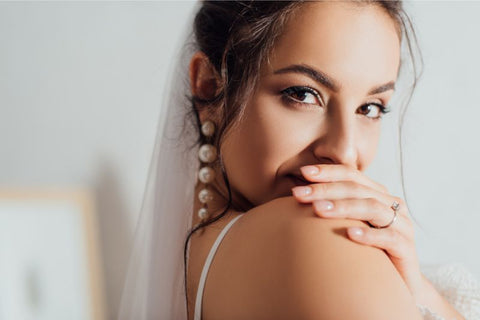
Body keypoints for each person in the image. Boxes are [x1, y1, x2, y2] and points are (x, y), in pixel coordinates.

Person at [118, 1, 480, 319]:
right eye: (304, 94)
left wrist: (420, 289)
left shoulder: (188, 263)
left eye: (370, 108)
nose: (343, 151)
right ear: (210, 88)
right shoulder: (315, 236)